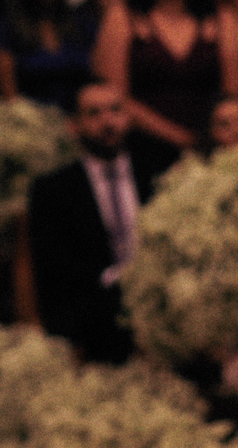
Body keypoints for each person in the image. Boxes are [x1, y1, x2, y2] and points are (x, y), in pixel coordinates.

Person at [27, 81, 159, 364]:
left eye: (115, 110)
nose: (108, 122)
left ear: (128, 117)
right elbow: (52, 275)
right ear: (73, 125)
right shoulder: (53, 190)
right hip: (93, 329)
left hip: (159, 314)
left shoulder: (156, 175)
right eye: (94, 113)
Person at [92, 0, 238, 168]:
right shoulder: (122, 18)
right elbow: (114, 97)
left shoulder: (221, 19)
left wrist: (205, 141)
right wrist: (182, 139)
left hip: (211, 151)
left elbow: (233, 93)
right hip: (143, 150)